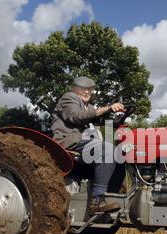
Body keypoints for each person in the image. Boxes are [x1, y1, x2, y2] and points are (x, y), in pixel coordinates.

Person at [51, 76, 126, 213]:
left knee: (120, 155)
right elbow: (77, 117)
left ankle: (111, 195)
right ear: (74, 89)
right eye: (83, 89)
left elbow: (98, 120)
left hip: (86, 142)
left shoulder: (89, 106)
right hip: (70, 141)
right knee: (106, 151)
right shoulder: (69, 98)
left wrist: (116, 119)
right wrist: (108, 108)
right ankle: (96, 201)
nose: (87, 92)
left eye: (89, 90)